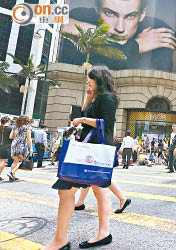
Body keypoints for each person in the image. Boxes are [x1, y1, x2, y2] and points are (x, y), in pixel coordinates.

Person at [42, 66, 118, 250]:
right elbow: (82, 115)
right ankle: (103, 233)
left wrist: (83, 120)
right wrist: (88, 99)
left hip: (92, 151)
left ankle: (60, 240)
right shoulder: (98, 97)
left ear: (100, 79)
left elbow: (107, 124)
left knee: (66, 189)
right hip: (91, 150)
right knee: (100, 191)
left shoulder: (107, 97)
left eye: (91, 79)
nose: (88, 82)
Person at [60, 0, 176, 71]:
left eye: (130, 16)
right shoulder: (79, 15)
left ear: (142, 14)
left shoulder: (159, 31)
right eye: (110, 13)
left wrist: (133, 47)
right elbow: (44, 11)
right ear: (97, 8)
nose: (120, 28)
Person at [8, 115, 33, 182]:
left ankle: (12, 176)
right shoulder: (27, 127)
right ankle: (12, 173)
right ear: (26, 121)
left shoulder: (14, 127)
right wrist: (31, 148)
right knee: (23, 160)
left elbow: (10, 136)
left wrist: (17, 137)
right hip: (22, 145)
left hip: (14, 144)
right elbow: (29, 139)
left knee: (15, 160)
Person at [0, 116, 12, 181]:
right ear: (8, 121)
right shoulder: (10, 128)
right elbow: (12, 137)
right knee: (3, 161)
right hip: (6, 147)